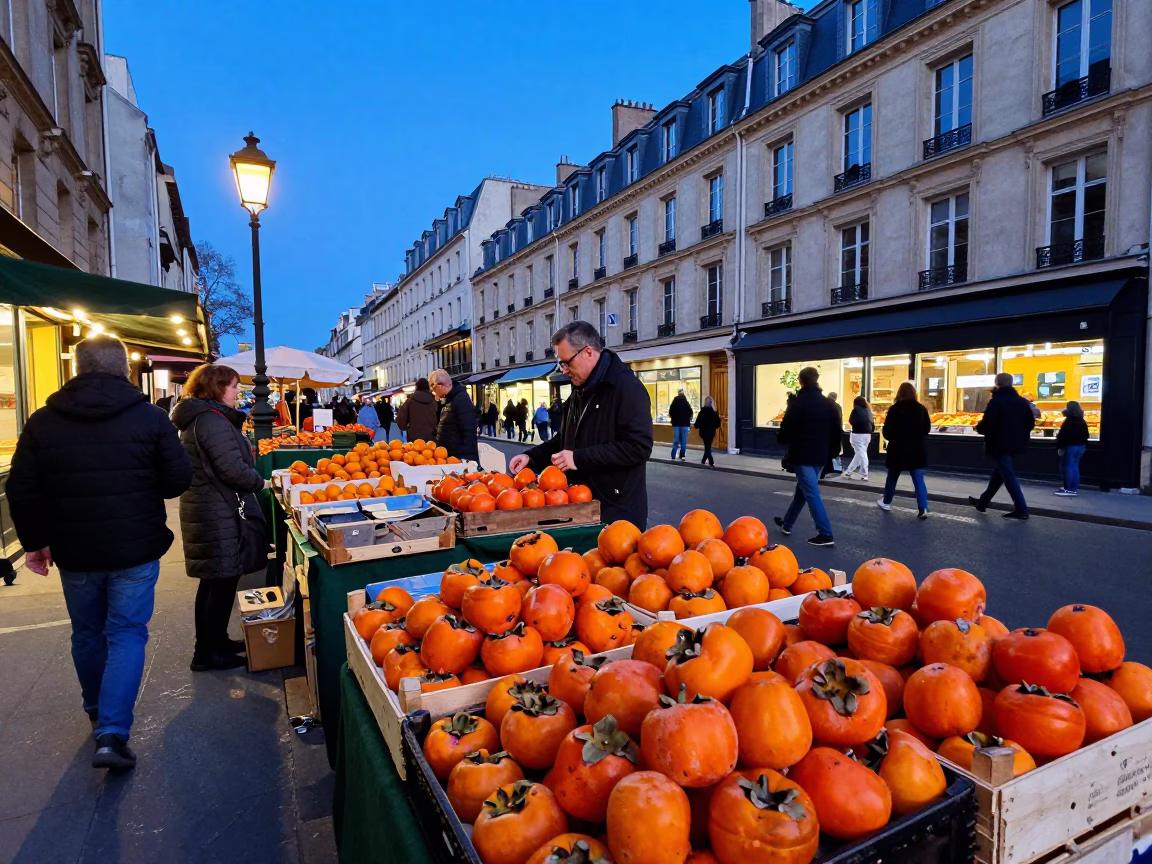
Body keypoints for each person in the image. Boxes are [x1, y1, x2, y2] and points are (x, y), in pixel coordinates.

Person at [7, 336, 192, 771]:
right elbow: (176, 480)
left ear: (77, 367)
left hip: (75, 549)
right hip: (135, 544)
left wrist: (34, 542)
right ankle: (112, 731)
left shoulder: (44, 421)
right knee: (126, 632)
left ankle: (96, 711)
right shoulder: (149, 417)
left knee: (87, 632)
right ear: (124, 368)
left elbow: (21, 489)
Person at [172, 364, 270, 673]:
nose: (236, 391)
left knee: (215, 579)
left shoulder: (200, 418)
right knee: (222, 579)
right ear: (216, 388)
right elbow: (230, 468)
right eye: (233, 386)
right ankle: (209, 653)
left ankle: (213, 642)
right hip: (216, 510)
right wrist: (261, 482)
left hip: (209, 506)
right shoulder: (210, 422)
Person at [510, 322, 652, 526]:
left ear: (588, 352)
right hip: (581, 506)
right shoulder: (579, 390)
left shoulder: (627, 388)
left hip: (616, 512)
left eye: (567, 362)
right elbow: (564, 441)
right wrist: (530, 458)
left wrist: (578, 458)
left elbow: (638, 447)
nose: (564, 370)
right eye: (561, 364)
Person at [773, 367, 841, 547]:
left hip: (802, 455)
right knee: (802, 491)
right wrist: (832, 453)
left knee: (811, 493)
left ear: (801, 381)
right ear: (817, 380)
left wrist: (783, 440)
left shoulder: (798, 403)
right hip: (820, 455)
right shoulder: (828, 404)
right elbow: (836, 432)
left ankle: (825, 534)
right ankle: (787, 524)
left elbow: (786, 431)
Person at [969, 372, 1036, 519]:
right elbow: (1031, 423)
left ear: (997, 383)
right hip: (1017, 443)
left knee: (1008, 475)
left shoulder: (996, 401)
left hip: (999, 443)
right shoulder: (1022, 402)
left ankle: (1022, 509)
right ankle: (982, 502)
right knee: (999, 474)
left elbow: (988, 423)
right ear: (1012, 384)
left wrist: (979, 428)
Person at [877, 383, 932, 519]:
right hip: (917, 449)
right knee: (918, 479)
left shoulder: (894, 410)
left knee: (892, 478)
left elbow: (887, 431)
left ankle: (886, 502)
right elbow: (927, 430)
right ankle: (923, 507)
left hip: (898, 449)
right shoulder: (921, 409)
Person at [431, 368, 479, 461]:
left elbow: (468, 431)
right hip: (450, 456)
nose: (434, 393)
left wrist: (467, 461)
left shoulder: (460, 399)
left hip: (458, 458)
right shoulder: (449, 399)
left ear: (440, 386)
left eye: (434, 390)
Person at [1055, 401, 1089, 497]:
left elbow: (1063, 436)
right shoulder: (1082, 420)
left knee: (1068, 467)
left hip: (1070, 446)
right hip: (1081, 446)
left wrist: (1060, 447)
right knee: (1074, 466)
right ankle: (1073, 488)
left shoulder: (1069, 421)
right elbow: (1086, 435)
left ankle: (1070, 489)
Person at [396, 378, 439, 443]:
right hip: (431, 438)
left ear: (416, 387)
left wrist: (408, 428)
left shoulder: (409, 402)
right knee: (430, 452)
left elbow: (401, 422)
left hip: (414, 439)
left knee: (416, 452)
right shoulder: (434, 402)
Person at [843, 396, 874, 480]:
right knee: (860, 453)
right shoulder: (868, 410)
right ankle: (849, 471)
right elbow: (872, 422)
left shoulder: (856, 410)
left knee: (861, 453)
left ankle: (865, 473)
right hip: (867, 434)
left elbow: (851, 421)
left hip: (857, 434)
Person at [821, 392, 844, 479]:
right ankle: (832, 468)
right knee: (833, 452)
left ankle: (827, 469)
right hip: (835, 432)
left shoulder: (824, 406)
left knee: (828, 451)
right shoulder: (837, 406)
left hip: (827, 432)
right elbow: (839, 419)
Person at [694, 395, 721, 467]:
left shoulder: (702, 412)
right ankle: (710, 461)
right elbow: (718, 424)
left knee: (707, 446)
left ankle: (704, 461)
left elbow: (697, 424)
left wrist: (699, 426)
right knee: (708, 446)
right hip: (711, 432)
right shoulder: (714, 413)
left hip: (703, 432)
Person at [668, 389, 693, 461]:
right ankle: (682, 455)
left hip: (676, 424)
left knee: (676, 440)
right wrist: (688, 419)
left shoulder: (674, 402)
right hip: (685, 424)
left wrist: (673, 418)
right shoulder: (686, 403)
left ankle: (673, 455)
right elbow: (690, 412)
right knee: (683, 440)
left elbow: (670, 412)